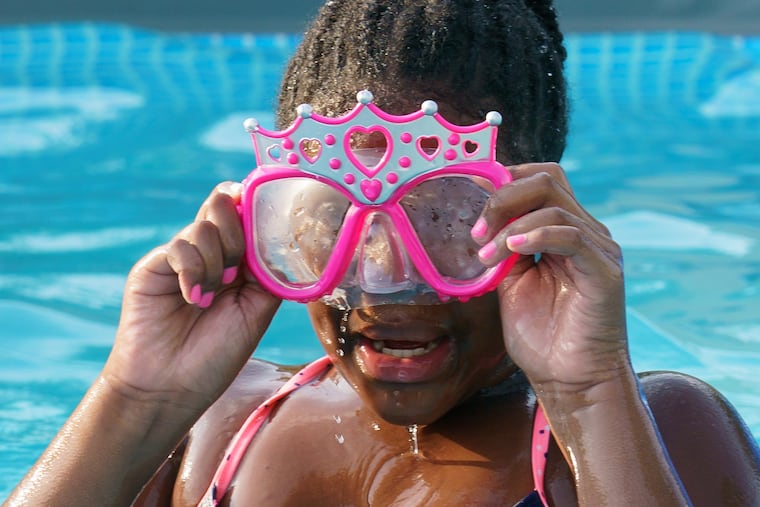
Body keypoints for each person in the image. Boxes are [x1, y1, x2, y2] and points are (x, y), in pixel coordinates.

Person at [6, 1, 760, 505]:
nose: (385, 278)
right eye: (330, 214)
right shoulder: (210, 423)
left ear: (536, 215)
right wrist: (137, 400)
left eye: (440, 216)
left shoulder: (655, 427)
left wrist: (592, 397)